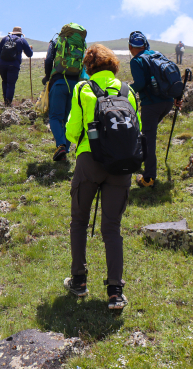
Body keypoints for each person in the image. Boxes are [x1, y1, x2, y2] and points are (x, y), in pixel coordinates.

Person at [64, 44, 140, 310]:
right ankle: (115, 292)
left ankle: (79, 281)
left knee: (79, 221)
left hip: (90, 160)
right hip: (122, 165)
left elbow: (72, 130)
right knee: (112, 228)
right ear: (113, 65)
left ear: (89, 66)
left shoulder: (83, 89)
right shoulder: (128, 92)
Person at [128, 31, 182, 188]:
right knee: (146, 134)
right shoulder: (157, 54)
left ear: (131, 47)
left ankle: (149, 178)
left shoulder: (136, 61)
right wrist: (177, 97)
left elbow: (139, 84)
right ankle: (140, 160)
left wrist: (123, 91)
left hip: (151, 105)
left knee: (148, 138)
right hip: (168, 102)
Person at [42, 23, 88, 162]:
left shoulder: (57, 42)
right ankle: (65, 151)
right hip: (75, 84)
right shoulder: (81, 45)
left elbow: (49, 60)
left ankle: (60, 145)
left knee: (55, 117)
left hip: (59, 82)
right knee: (68, 119)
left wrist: (47, 76)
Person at [0, 27, 33, 106]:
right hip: (13, 65)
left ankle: (5, 101)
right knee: (11, 84)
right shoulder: (22, 40)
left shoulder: (5, 39)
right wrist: (30, 48)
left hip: (2, 64)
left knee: (4, 82)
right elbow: (29, 54)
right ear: (20, 34)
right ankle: (8, 103)